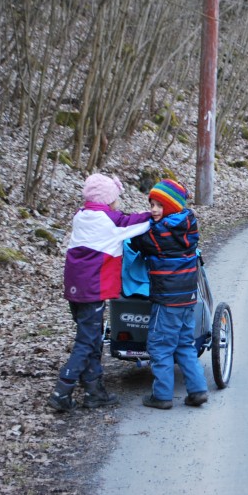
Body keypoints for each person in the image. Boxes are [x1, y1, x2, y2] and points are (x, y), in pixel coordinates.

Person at [48, 174, 151, 412]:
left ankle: (94, 392)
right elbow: (141, 222)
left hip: (74, 288)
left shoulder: (80, 215)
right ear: (109, 199)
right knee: (86, 341)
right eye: (116, 198)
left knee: (92, 337)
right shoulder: (112, 221)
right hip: (93, 289)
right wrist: (157, 213)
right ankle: (62, 390)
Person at [128, 179, 210, 409]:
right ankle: (198, 390)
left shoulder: (158, 234)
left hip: (167, 301)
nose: (154, 210)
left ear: (172, 207)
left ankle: (162, 396)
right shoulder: (188, 224)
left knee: (160, 346)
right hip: (188, 298)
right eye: (152, 205)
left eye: (159, 205)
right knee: (184, 344)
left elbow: (136, 242)